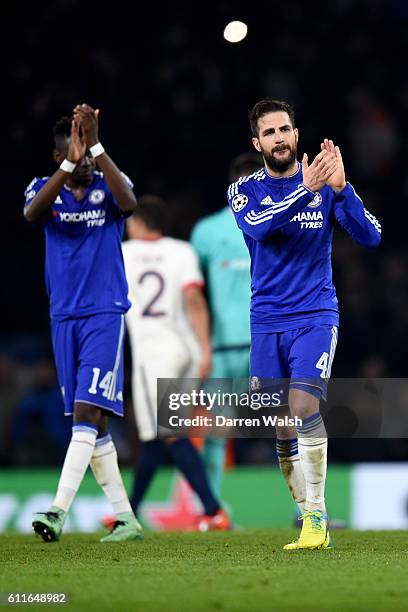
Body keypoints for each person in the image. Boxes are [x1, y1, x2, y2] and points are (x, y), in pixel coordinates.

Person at [227, 99, 381, 550]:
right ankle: (306, 511)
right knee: (280, 425)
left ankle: (316, 519)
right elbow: (259, 229)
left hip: (315, 314)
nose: (279, 138)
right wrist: (305, 190)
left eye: (285, 129)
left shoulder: (324, 183)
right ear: (257, 143)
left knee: (302, 409)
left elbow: (371, 237)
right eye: (270, 133)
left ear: (297, 134)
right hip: (266, 319)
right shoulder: (244, 189)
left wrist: (342, 188)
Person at [24, 103, 143, 543]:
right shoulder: (44, 189)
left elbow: (130, 201)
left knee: (87, 413)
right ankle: (126, 519)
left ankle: (57, 511)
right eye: (77, 154)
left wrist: (95, 145)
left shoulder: (108, 189)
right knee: (93, 424)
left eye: (90, 153)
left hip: (103, 313)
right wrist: (72, 161)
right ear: (59, 157)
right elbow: (31, 216)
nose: (87, 162)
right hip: (63, 319)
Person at [119, 195, 231, 530]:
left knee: (170, 434)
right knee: (155, 435)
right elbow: (194, 298)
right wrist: (205, 349)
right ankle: (129, 511)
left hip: (154, 353)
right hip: (185, 349)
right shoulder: (182, 251)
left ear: (137, 223)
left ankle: (213, 510)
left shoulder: (122, 254)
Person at [190, 152, 263, 497]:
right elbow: (189, 290)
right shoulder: (206, 232)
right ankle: (213, 510)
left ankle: (306, 510)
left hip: (267, 340)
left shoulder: (280, 221)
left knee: (290, 423)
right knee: (218, 430)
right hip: (223, 346)